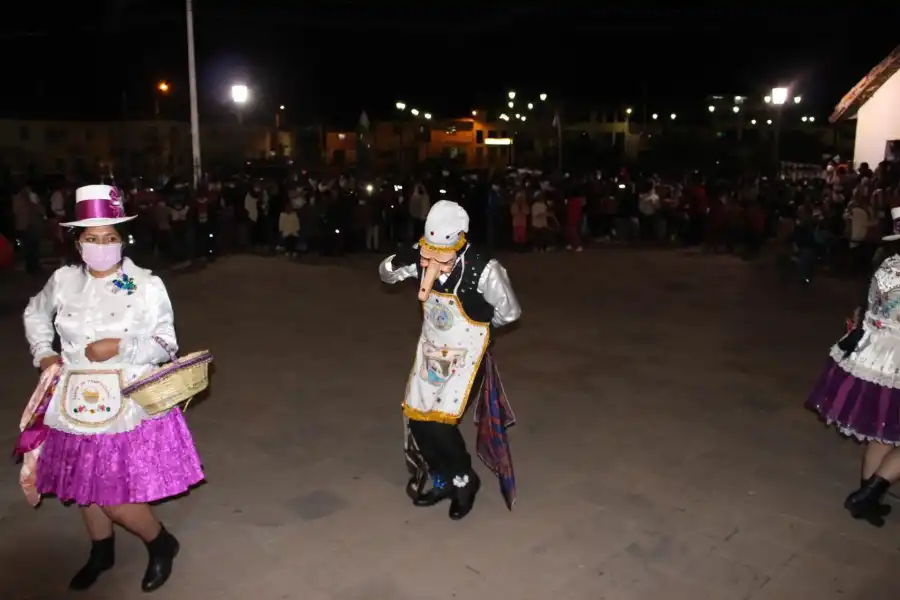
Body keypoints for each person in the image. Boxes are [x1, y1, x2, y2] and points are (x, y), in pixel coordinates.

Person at [19, 184, 204, 591]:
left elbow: (166, 345)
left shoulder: (147, 285)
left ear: (123, 239)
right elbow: (35, 311)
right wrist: (43, 354)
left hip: (124, 404)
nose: (101, 245)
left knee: (114, 496)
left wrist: (121, 345)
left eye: (110, 238)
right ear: (77, 241)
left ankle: (161, 542)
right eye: (91, 238)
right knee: (84, 489)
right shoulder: (64, 280)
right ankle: (101, 550)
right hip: (71, 402)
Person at [378, 200, 521, 520]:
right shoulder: (422, 253)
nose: (433, 260)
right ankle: (442, 478)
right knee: (417, 419)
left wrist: (478, 324)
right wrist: (399, 259)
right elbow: (387, 275)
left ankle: (464, 480)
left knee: (441, 423)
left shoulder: (484, 268)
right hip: (431, 349)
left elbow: (510, 312)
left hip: (467, 353)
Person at [807, 207, 900, 528]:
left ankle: (866, 498)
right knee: (888, 433)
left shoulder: (888, 264)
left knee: (884, 432)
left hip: (876, 352)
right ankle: (868, 495)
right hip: (895, 356)